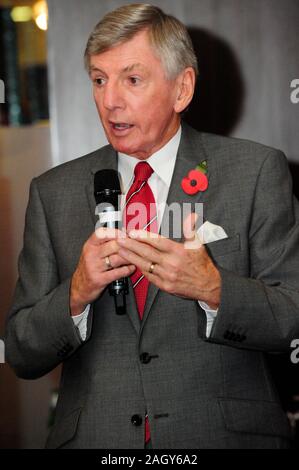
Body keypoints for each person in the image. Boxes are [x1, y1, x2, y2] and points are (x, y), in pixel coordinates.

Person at [5, 3, 299, 449]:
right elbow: (22, 352)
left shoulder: (255, 172)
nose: (110, 100)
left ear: (182, 89)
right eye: (99, 80)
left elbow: (292, 318)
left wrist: (213, 288)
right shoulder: (53, 192)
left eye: (132, 79)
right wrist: (77, 292)